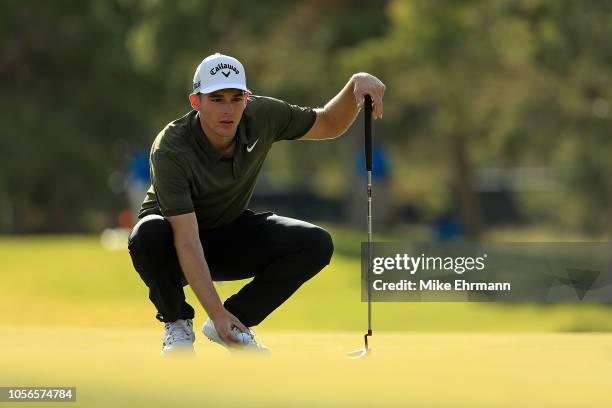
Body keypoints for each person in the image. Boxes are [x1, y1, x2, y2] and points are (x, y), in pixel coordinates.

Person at [127, 53, 385, 354]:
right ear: (196, 102)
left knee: (315, 243)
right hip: (173, 244)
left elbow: (328, 122)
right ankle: (177, 324)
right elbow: (186, 240)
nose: (228, 109)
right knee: (147, 234)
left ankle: (233, 324)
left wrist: (356, 82)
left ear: (247, 99)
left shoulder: (262, 116)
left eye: (237, 98)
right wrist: (214, 309)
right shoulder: (171, 147)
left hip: (229, 234)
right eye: (217, 98)